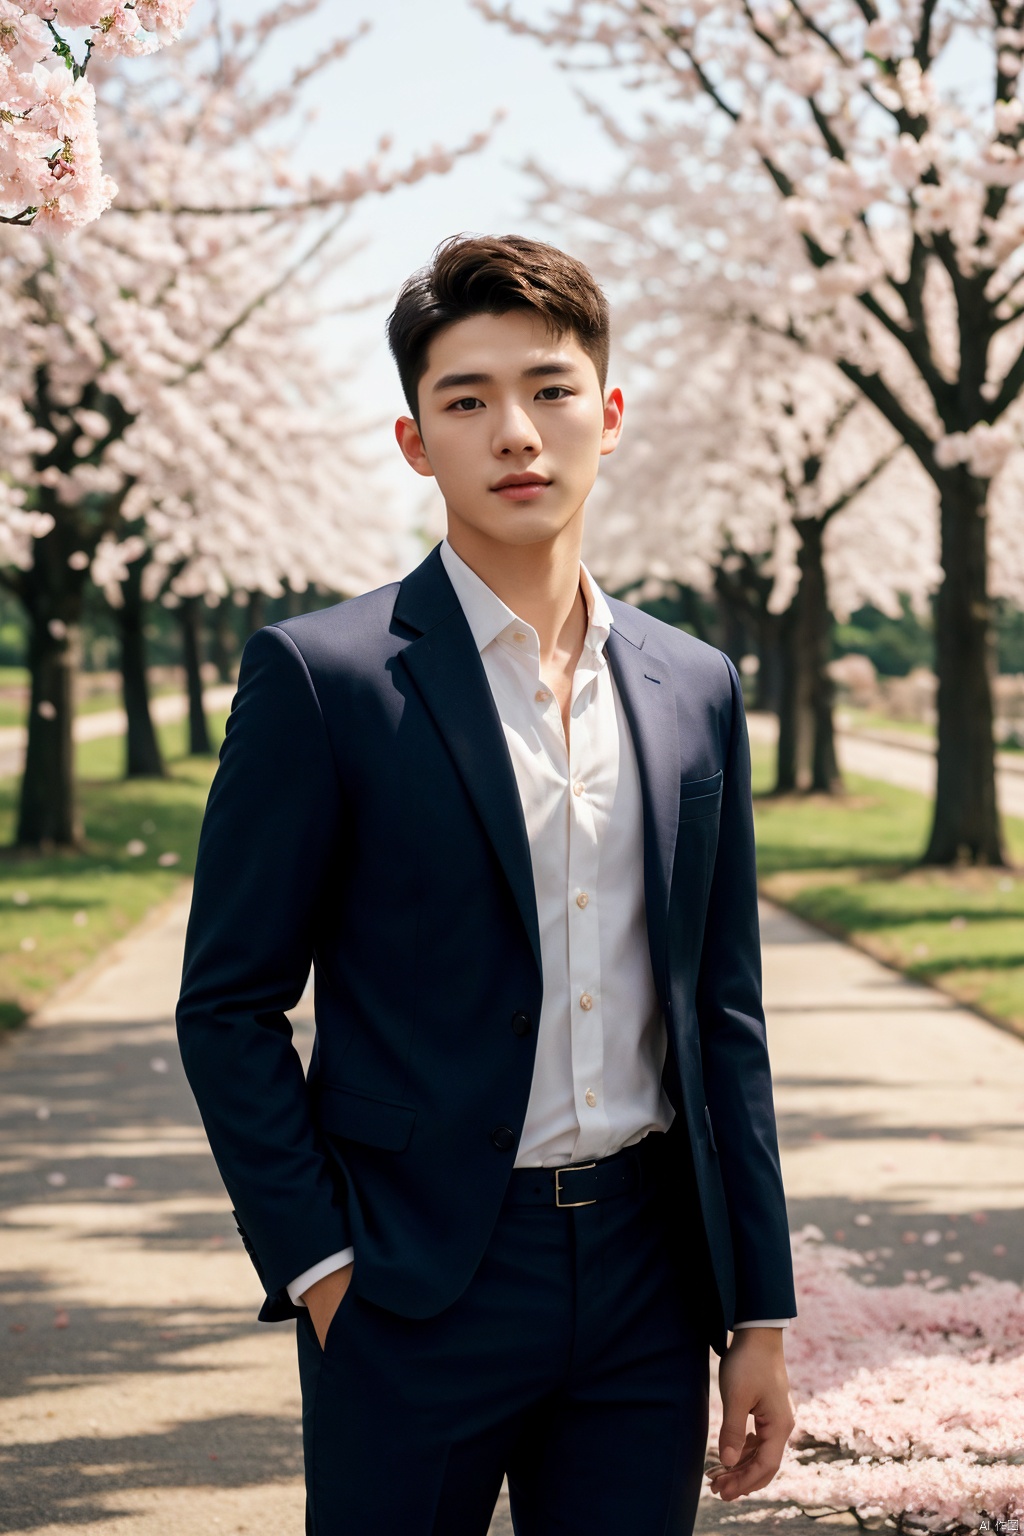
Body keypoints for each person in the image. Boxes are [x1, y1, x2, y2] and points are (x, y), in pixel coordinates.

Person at [175, 231, 798, 1536]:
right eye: (467, 400)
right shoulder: (323, 679)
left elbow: (720, 1015)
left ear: (610, 416)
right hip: (412, 1284)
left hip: (645, 1284)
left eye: (552, 389)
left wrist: (759, 1312)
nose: (517, 431)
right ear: (416, 441)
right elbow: (228, 1003)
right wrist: (323, 1267)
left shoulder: (697, 687)